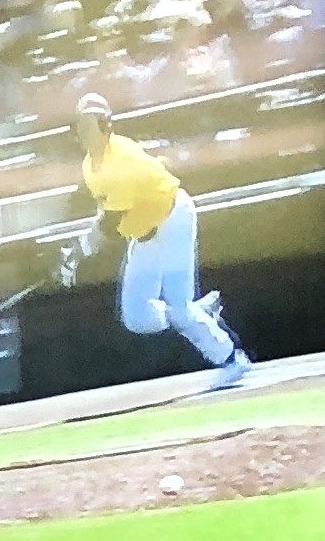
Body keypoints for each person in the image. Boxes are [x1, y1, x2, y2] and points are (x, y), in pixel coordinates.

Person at [73, 94, 251, 387]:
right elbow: (105, 210)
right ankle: (197, 314)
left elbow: (112, 220)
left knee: (179, 307)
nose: (83, 132)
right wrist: (77, 249)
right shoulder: (89, 166)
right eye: (80, 126)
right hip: (145, 232)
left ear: (105, 125)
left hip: (173, 218)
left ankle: (232, 358)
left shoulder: (122, 157)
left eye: (89, 125)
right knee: (137, 317)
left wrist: (82, 248)